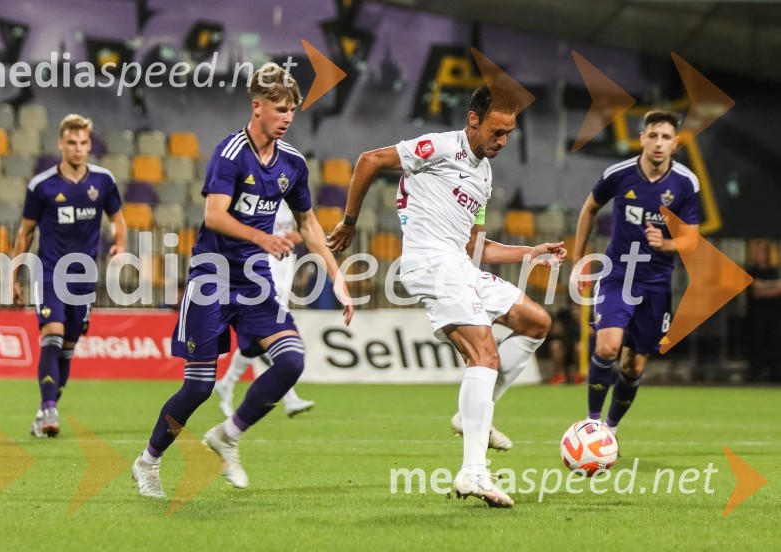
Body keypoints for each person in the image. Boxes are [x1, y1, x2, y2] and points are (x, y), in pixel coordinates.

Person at [328, 84, 566, 508]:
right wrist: (349, 222)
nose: (503, 141)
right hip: (430, 264)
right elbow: (369, 161)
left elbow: (477, 246)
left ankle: (472, 414)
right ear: (474, 120)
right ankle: (473, 472)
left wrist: (530, 253)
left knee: (537, 323)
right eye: (497, 131)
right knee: (485, 355)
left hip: (459, 263)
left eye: (510, 133)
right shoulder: (438, 147)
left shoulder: (485, 176)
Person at [132, 63, 353, 498]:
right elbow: (214, 214)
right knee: (197, 387)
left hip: (254, 281)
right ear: (257, 107)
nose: (287, 117)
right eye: (279, 108)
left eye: (292, 110)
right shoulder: (230, 153)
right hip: (211, 277)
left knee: (291, 361)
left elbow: (308, 223)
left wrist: (337, 275)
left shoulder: (292, 162)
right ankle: (148, 461)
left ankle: (228, 434)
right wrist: (263, 237)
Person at [571, 109, 700, 435]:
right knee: (607, 347)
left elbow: (692, 237)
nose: (659, 143)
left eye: (666, 137)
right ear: (642, 138)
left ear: (676, 143)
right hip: (617, 276)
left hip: (656, 284)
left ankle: (610, 430)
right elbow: (589, 208)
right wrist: (578, 259)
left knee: (634, 365)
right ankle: (591, 423)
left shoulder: (685, 183)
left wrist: (667, 244)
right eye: (653, 135)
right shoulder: (619, 173)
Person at [11, 114, 126, 438]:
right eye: (72, 143)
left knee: (68, 347)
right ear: (61, 144)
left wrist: (120, 243)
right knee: (54, 336)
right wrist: (14, 276)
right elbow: (26, 233)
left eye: (83, 143)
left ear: (90, 145)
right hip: (49, 271)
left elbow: (118, 220)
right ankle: (50, 409)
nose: (78, 149)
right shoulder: (42, 185)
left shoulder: (102, 181)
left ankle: (43, 412)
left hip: (83, 276)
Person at [213, 201, 316, 418]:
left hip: (284, 267)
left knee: (261, 336)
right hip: (261, 268)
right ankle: (289, 396)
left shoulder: (291, 200)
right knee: (272, 330)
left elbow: (303, 231)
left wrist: (295, 237)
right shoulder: (258, 197)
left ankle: (227, 383)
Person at [744, 240, 781, 382]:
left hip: (774, 313)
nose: (758, 255)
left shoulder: (775, 270)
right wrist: (773, 286)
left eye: (761, 252)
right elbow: (755, 292)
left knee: (774, 343)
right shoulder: (751, 271)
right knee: (756, 342)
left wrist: (763, 285)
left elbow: (778, 289)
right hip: (756, 314)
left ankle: (775, 373)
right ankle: (755, 373)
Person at [547, 301, 584, 385]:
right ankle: (560, 376)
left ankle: (581, 376)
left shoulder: (587, 314)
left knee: (580, 346)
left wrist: (579, 319)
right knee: (555, 345)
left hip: (579, 347)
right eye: (573, 305)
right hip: (565, 347)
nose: (575, 308)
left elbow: (592, 333)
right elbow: (555, 331)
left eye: (577, 306)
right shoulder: (563, 315)